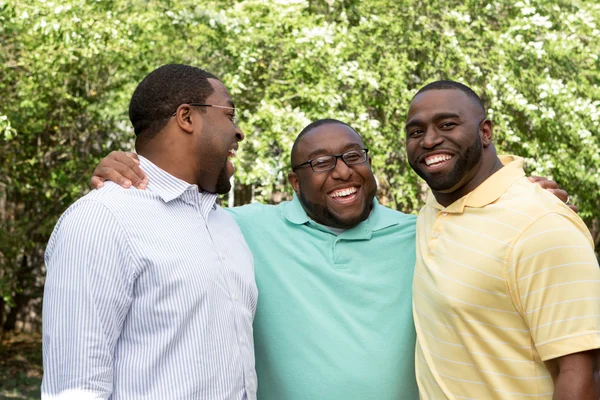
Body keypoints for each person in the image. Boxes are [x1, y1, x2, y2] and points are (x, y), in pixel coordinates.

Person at [90, 118, 572, 399]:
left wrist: (532, 196)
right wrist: (120, 174)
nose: (342, 171)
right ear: (295, 183)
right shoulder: (238, 228)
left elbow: (495, 225)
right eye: (320, 163)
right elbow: (160, 220)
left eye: (353, 156)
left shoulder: (425, 231)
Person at [42, 64, 257, 400]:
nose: (239, 132)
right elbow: (75, 389)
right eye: (229, 114)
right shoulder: (102, 219)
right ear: (187, 117)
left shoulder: (226, 224)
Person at [405, 80, 600, 399]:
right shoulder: (435, 209)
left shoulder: (542, 225)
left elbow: (583, 376)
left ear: (485, 132)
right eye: (415, 131)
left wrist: (542, 208)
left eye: (447, 124)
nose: (429, 139)